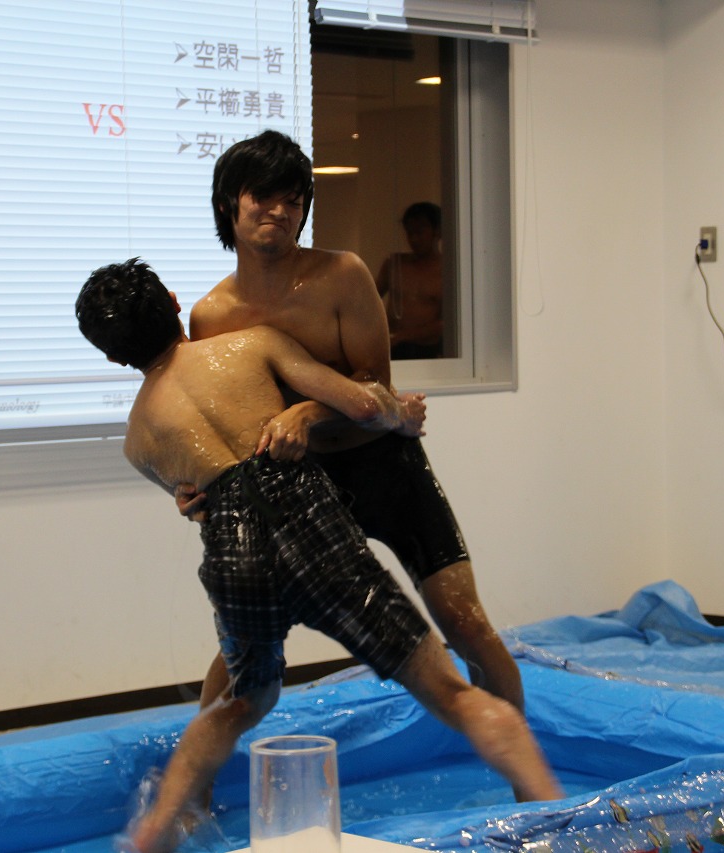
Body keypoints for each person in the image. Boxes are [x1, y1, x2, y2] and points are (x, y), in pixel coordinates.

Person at [75, 258, 564, 853]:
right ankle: (556, 820)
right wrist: (399, 413)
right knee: (451, 693)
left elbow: (194, 501)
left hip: (233, 552)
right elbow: (365, 405)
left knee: (238, 702)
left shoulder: (137, 440)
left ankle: (155, 830)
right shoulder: (252, 344)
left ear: (112, 357)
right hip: (310, 526)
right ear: (175, 302)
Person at [181, 130, 526, 723]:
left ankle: (527, 772)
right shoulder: (212, 316)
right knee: (247, 640)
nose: (279, 211)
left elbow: (375, 390)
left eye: (293, 200)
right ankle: (196, 773)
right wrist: (191, 486)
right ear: (227, 204)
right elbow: (215, 420)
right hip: (298, 488)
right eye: (263, 196)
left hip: (384, 464)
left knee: (467, 625)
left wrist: (305, 413)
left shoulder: (342, 275)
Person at [375, 201, 445, 360]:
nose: (414, 239)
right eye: (410, 232)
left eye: (420, 232)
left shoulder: (447, 270)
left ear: (438, 231)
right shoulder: (394, 265)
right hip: (393, 347)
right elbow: (368, 301)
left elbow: (446, 322)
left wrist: (403, 336)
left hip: (428, 350)